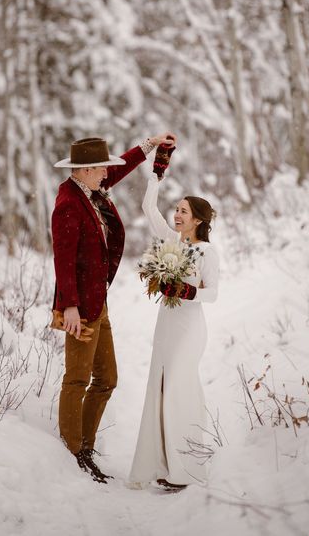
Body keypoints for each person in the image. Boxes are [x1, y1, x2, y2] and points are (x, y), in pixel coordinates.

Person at [52, 133, 176, 483]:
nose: (108, 170)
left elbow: (119, 170)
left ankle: (85, 446)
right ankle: (71, 452)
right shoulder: (68, 205)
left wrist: (149, 145)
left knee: (107, 379)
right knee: (77, 379)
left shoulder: (90, 189)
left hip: (97, 300)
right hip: (81, 307)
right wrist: (70, 308)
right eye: (102, 166)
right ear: (87, 170)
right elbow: (63, 262)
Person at [129, 151, 219, 491]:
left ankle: (187, 468)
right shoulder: (170, 242)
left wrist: (186, 290)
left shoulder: (208, 253)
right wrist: (156, 175)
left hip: (189, 329)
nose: (176, 215)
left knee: (180, 390)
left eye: (183, 211)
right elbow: (148, 210)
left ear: (197, 220)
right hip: (166, 326)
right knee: (161, 390)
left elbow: (212, 294)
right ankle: (163, 465)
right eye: (177, 210)